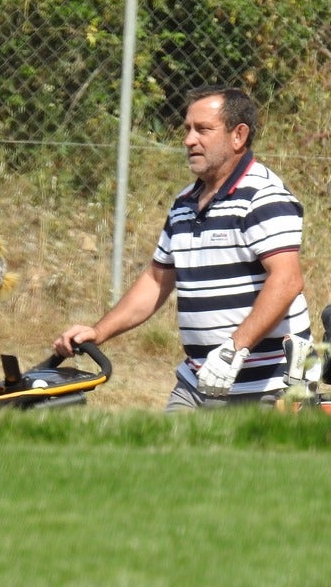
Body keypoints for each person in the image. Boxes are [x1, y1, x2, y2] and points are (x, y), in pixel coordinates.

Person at [53, 85, 311, 410]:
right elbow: (156, 281)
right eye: (187, 129)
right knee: (163, 460)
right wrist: (99, 331)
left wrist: (235, 348)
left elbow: (286, 281)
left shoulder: (264, 197)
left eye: (203, 129)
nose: (189, 140)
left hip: (269, 386)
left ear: (238, 136)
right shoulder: (183, 203)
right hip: (197, 382)